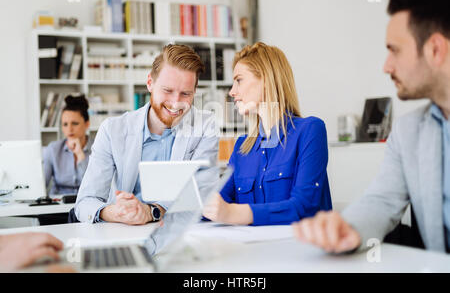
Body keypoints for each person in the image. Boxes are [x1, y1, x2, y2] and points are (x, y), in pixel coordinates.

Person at [292, 0, 450, 254]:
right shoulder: (408, 131)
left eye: (395, 50)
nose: (386, 66)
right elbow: (382, 201)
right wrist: (348, 228)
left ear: (435, 49)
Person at [74, 44, 219, 225]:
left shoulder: (205, 127)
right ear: (150, 83)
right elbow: (85, 203)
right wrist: (115, 212)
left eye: (185, 94)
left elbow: (202, 195)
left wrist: (151, 212)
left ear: (194, 92)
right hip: (124, 233)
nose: (175, 103)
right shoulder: (112, 130)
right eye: (167, 91)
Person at [203, 42, 332, 225]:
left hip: (300, 249)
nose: (232, 92)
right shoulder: (242, 147)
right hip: (254, 251)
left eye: (239, 80)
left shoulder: (310, 130)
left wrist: (234, 213)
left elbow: (304, 206)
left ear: (266, 80)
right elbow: (218, 202)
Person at [43, 94, 92, 196]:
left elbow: (93, 185)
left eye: (74, 123)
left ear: (87, 124)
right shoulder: (53, 149)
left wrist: (80, 155)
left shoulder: (98, 149)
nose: (69, 129)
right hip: (57, 206)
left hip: (86, 205)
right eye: (65, 124)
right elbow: (41, 185)